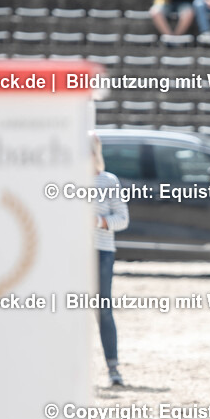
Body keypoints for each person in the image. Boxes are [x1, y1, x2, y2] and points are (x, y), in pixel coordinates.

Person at [91, 132, 130, 386]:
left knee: (103, 310)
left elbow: (123, 219)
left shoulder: (108, 181)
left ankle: (113, 368)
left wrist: (100, 221)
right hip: (70, 254)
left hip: (101, 253)